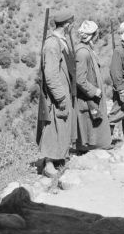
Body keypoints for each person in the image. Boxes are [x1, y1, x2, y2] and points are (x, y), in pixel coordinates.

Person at [36, 10, 76, 177]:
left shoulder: (61, 41)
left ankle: (60, 157)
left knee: (62, 126)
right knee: (53, 127)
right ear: (67, 25)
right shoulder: (53, 44)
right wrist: (60, 96)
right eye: (71, 24)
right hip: (56, 95)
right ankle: (49, 164)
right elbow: (51, 74)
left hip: (64, 90)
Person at [74, 20, 112, 151]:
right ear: (94, 35)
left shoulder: (87, 49)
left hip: (93, 95)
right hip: (88, 96)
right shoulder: (82, 52)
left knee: (94, 122)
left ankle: (96, 146)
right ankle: (91, 149)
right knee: (90, 123)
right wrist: (93, 91)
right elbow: (80, 79)